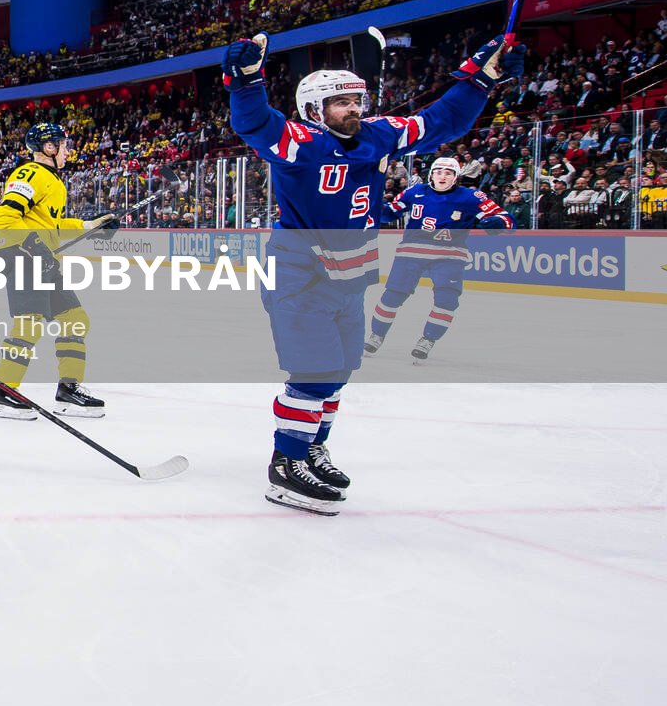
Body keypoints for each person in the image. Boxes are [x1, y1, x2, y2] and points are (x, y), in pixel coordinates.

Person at [223, 33, 522, 515]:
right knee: (315, 369)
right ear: (314, 111)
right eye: (339, 102)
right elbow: (255, 123)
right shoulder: (298, 143)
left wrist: (479, 79)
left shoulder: (381, 133)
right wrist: (245, 82)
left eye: (355, 100)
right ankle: (286, 463)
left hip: (350, 274)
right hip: (299, 272)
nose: (351, 108)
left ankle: (312, 448)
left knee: (338, 371)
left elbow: (444, 120)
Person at [0, 121, 115, 421]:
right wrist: (34, 245)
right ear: (48, 147)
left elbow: (50, 224)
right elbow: (4, 217)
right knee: (29, 323)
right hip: (21, 255)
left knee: (74, 319)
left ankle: (68, 390)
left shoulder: (52, 181)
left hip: (42, 258)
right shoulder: (29, 173)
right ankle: (3, 393)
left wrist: (89, 226)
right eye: (64, 145)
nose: (68, 151)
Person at [368, 156, 513, 362]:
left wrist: (496, 223)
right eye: (438, 172)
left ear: (456, 177)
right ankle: (377, 335)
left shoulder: (471, 197)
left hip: (450, 255)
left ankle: (428, 339)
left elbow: (507, 219)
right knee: (393, 295)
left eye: (448, 173)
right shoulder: (415, 191)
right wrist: (373, 204)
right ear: (431, 174)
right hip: (411, 252)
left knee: (447, 300)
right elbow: (389, 213)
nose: (442, 176)